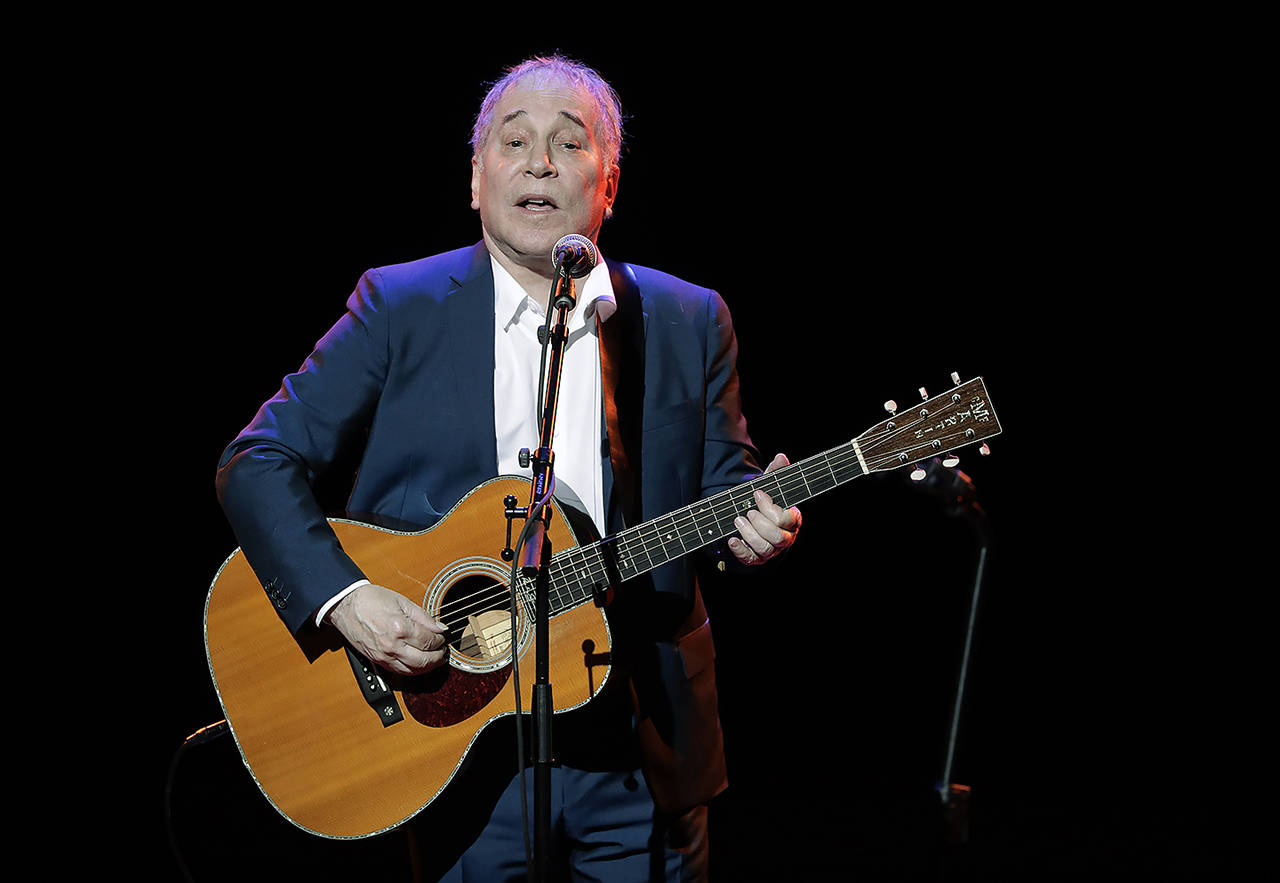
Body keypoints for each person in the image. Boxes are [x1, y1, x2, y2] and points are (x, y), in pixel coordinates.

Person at [216, 55, 800, 881]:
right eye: (513, 140)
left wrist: (753, 523)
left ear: (609, 184)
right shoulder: (399, 305)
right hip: (455, 739)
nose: (538, 162)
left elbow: (723, 489)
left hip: (640, 741)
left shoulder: (686, 316)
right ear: (476, 177)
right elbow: (257, 460)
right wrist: (347, 600)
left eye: (569, 143)